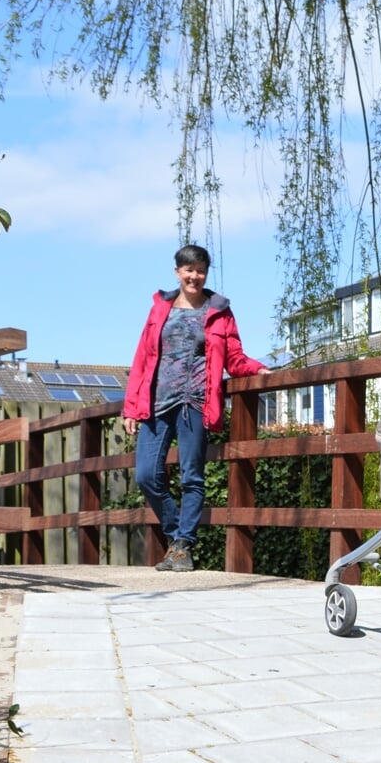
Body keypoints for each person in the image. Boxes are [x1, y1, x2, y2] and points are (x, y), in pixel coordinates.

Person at [123, 244, 270, 573]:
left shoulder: (219, 311)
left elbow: (234, 357)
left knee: (192, 477)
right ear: (177, 272)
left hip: (195, 402)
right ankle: (176, 536)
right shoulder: (161, 308)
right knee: (146, 474)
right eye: (188, 270)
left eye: (200, 270)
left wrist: (257, 369)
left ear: (206, 273)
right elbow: (143, 357)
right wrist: (131, 407)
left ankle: (183, 546)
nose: (195, 276)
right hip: (157, 402)